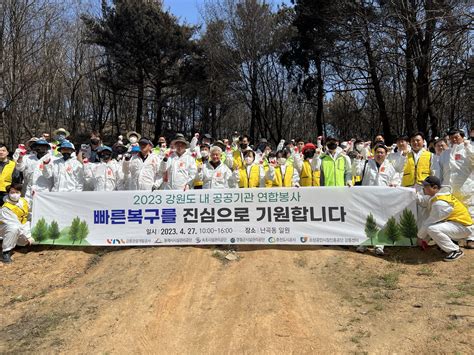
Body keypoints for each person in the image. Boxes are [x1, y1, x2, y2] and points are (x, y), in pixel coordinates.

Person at [353, 144, 400, 255]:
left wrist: (394, 183)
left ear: (385, 154)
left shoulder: (390, 167)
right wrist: (356, 161)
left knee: (381, 221)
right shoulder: (366, 164)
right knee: (366, 220)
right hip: (367, 197)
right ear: (373, 153)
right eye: (377, 152)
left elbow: (396, 178)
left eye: (381, 152)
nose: (379, 154)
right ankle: (363, 243)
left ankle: (379, 245)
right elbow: (356, 172)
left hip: (383, 199)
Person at [416, 176, 473, 261]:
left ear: (434, 187)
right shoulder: (437, 196)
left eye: (425, 186)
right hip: (457, 225)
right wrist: (412, 193)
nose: (423, 188)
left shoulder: (440, 203)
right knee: (433, 227)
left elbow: (429, 222)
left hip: (463, 228)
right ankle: (450, 243)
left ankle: (455, 250)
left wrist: (420, 237)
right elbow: (424, 201)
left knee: (432, 228)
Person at [438, 129, 474, 242]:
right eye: (451, 138)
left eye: (456, 137)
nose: (454, 140)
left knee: (469, 212)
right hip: (449, 188)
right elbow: (440, 171)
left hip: (465, 188)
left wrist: (469, 148)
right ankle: (454, 237)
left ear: (463, 137)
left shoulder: (468, 149)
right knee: (452, 213)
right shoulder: (445, 153)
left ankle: (471, 237)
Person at [0, 183, 34, 263]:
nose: (15, 194)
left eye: (17, 192)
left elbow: (31, 208)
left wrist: (35, 196)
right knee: (14, 228)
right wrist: (28, 236)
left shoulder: (23, 201)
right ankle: (6, 252)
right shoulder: (6, 208)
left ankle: (16, 244)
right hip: (4, 228)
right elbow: (16, 224)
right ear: (8, 193)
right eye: (12, 192)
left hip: (21, 225)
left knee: (24, 241)